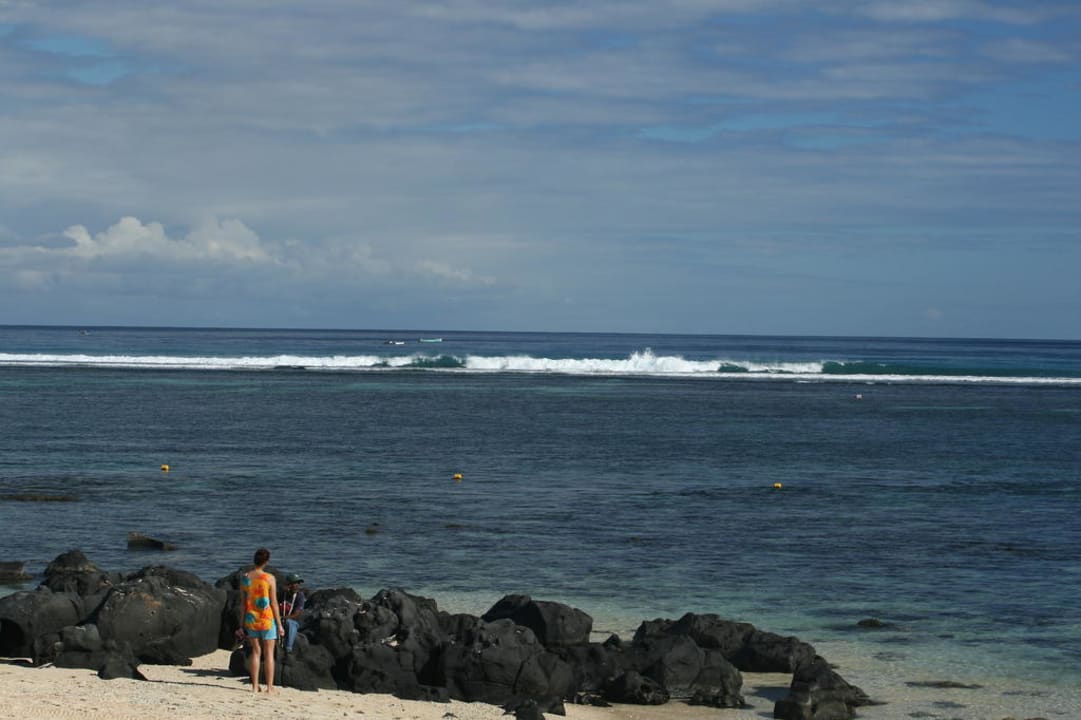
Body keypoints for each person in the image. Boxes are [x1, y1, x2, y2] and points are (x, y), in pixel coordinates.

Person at [239, 547, 284, 694]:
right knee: (269, 653)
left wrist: (241, 624)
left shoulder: (245, 577)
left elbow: (243, 603)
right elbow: (274, 603)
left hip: (251, 619)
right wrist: (279, 624)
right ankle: (269, 687)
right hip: (267, 619)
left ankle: (254, 686)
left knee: (256, 652)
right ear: (266, 561)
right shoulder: (270, 578)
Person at [279, 573, 306, 653]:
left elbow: (296, 615)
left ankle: (288, 648)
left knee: (290, 623)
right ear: (289, 585)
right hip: (279, 620)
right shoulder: (281, 594)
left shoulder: (299, 596)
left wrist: (282, 618)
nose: (297, 585)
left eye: (298, 583)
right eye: (295, 583)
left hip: (291, 621)